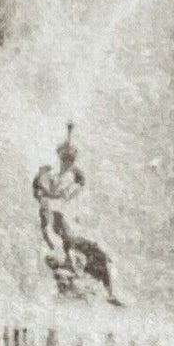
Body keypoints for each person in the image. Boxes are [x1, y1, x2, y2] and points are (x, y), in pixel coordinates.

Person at [32, 125, 123, 306]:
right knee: (97, 262)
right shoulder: (55, 184)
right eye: (66, 156)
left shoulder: (63, 184)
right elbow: (50, 217)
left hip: (69, 238)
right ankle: (108, 292)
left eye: (70, 157)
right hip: (65, 239)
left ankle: (109, 292)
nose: (68, 160)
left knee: (101, 261)